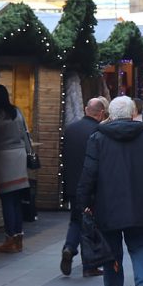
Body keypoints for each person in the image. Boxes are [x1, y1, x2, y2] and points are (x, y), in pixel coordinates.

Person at [76, 96, 143, 286]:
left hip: (107, 205)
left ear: (110, 114)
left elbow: (88, 173)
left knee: (112, 252)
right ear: (132, 114)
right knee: (142, 248)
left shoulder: (98, 138)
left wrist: (84, 202)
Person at [60, 98, 107, 275]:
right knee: (91, 223)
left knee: (76, 219)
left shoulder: (71, 129)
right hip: (91, 185)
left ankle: (70, 247)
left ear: (87, 109)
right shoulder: (99, 131)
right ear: (101, 113)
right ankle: (90, 265)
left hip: (73, 184)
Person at [0, 84, 33, 254]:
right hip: (19, 157)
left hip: (3, 158)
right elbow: (25, 135)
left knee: (6, 200)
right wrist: (28, 154)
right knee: (16, 201)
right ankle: (18, 238)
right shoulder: (17, 112)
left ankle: (9, 238)